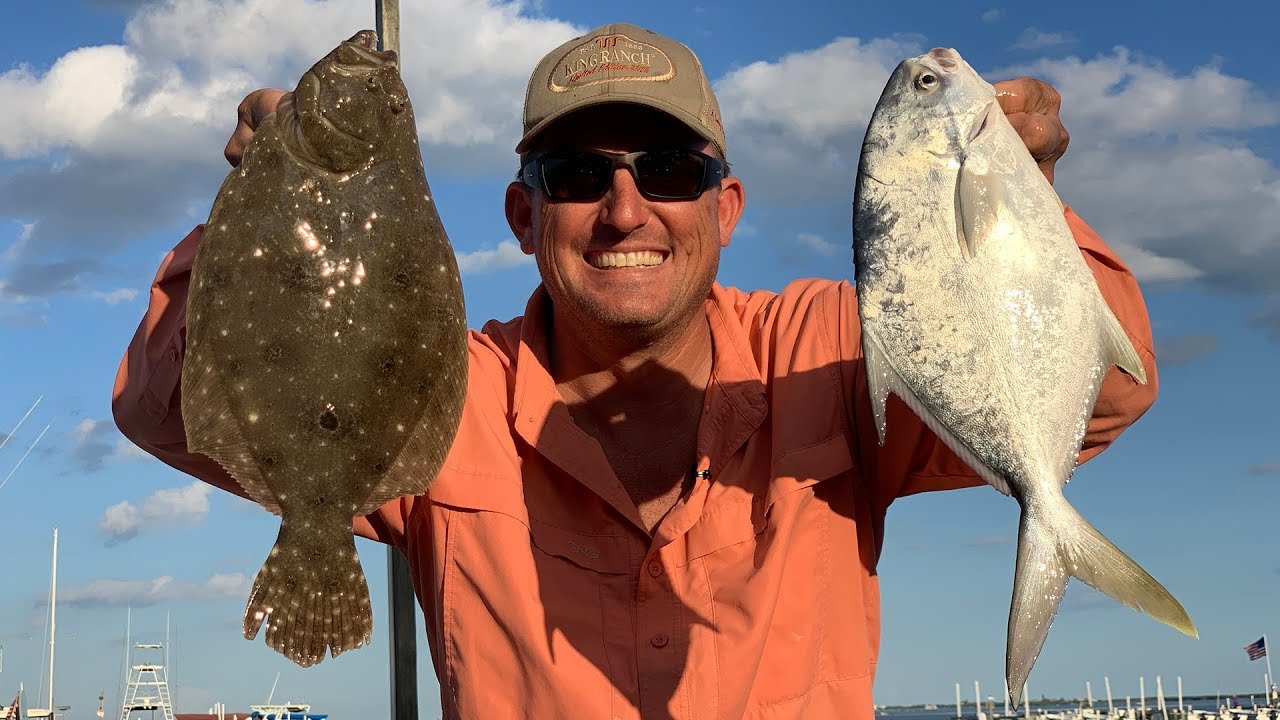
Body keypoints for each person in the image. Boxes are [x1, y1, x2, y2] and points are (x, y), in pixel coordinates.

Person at [112, 22, 1158, 720]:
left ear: (725, 207)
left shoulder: (834, 352)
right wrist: (259, 219)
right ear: (523, 217)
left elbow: (1100, 396)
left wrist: (1021, 216)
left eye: (666, 170)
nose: (623, 211)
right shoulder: (446, 390)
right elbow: (169, 410)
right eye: (575, 176)